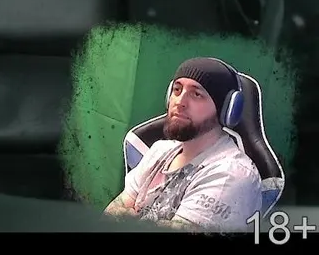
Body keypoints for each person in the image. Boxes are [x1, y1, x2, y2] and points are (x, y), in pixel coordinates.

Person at [103, 57, 262, 232]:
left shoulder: (230, 174)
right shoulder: (159, 151)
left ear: (226, 108)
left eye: (196, 94)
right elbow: (109, 215)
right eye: (177, 90)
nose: (180, 102)